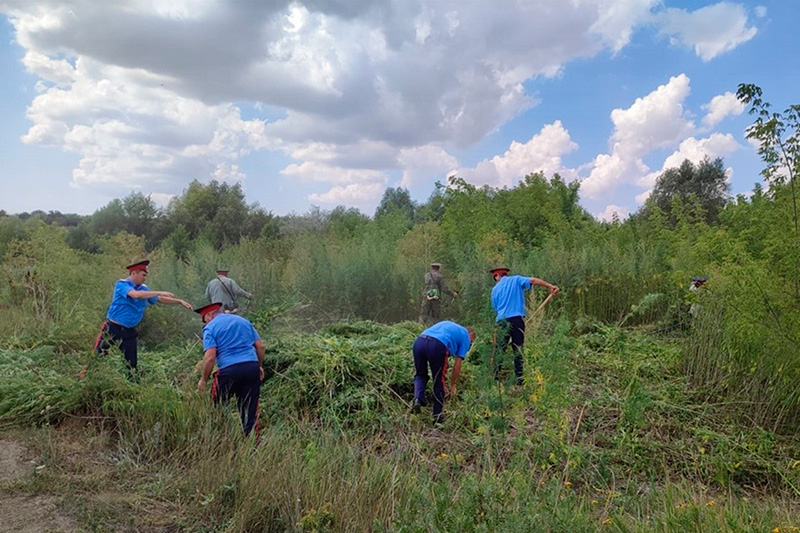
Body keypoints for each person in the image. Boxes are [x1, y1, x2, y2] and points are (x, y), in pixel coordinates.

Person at [94, 260, 192, 375]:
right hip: (112, 328)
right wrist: (159, 292)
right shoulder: (122, 284)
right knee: (98, 355)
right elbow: (136, 295)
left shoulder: (144, 289)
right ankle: (87, 377)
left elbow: (158, 299)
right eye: (143, 275)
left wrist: (178, 301)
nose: (145, 278)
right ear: (134, 273)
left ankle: (132, 382)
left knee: (131, 362)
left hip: (129, 330)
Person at [196, 302, 265, 437]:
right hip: (251, 368)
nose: (204, 324)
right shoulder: (243, 321)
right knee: (249, 409)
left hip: (228, 371)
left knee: (217, 407)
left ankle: (219, 439)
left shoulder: (210, 328)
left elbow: (210, 358)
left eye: (204, 320)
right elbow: (260, 347)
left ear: (209, 316)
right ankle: (252, 446)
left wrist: (203, 380)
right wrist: (259, 366)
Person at [490, 267, 559, 385]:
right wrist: (550, 286)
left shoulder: (495, 290)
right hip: (517, 319)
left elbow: (495, 309)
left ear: (497, 276)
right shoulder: (516, 279)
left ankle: (495, 379)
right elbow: (532, 280)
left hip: (501, 322)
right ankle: (520, 380)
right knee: (518, 349)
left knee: (500, 350)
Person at [412, 320, 475, 425]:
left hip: (419, 342)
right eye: (472, 342)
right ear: (471, 336)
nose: (470, 345)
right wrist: (452, 385)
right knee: (438, 381)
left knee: (420, 375)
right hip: (437, 346)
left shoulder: (450, 325)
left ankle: (418, 398)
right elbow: (457, 365)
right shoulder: (465, 337)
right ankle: (437, 417)